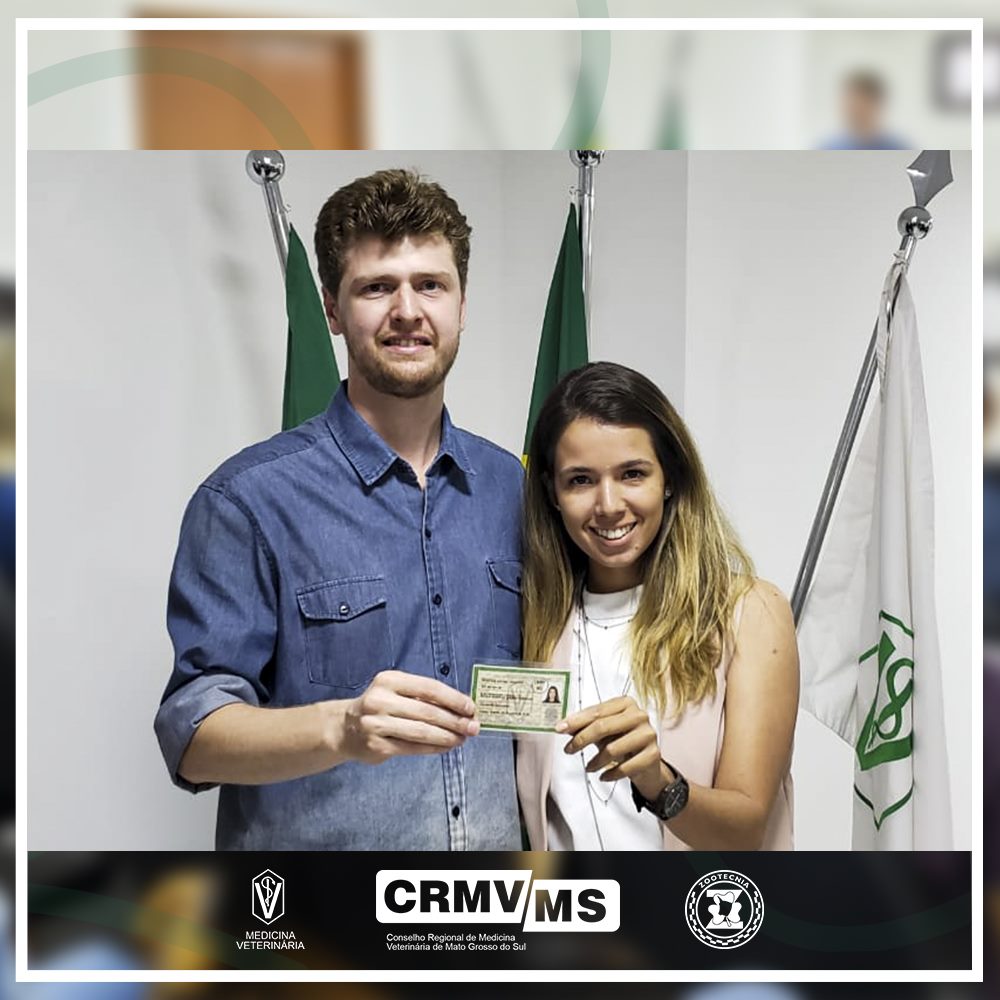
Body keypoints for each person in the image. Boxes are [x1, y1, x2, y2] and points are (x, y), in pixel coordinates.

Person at [155, 169, 524, 850]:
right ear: (331, 309)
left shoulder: (515, 488)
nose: (408, 311)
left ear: (462, 304)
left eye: (431, 285)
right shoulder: (247, 499)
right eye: (376, 287)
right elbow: (192, 737)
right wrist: (342, 728)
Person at [516, 362, 797, 851]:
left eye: (632, 474)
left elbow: (747, 829)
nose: (608, 504)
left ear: (669, 477)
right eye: (580, 480)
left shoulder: (748, 612)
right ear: (553, 494)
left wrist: (658, 780)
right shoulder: (534, 624)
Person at [821, 69, 908, 151]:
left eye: (857, 103)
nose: (850, 110)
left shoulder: (898, 148)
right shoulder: (828, 147)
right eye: (847, 102)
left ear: (875, 105)